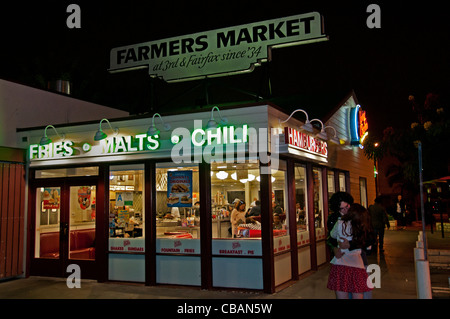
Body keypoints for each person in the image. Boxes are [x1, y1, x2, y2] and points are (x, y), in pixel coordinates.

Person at [327, 203, 373, 299]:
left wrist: (343, 244)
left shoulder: (340, 223)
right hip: (357, 264)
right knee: (359, 294)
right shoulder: (361, 226)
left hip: (341, 264)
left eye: (346, 207)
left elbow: (331, 236)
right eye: (341, 208)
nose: (343, 210)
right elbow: (368, 244)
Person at [327, 192, 354, 258]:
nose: (346, 210)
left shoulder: (356, 215)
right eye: (342, 208)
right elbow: (330, 237)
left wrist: (351, 244)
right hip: (340, 254)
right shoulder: (333, 218)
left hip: (355, 254)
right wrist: (334, 248)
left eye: (347, 206)